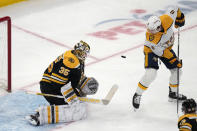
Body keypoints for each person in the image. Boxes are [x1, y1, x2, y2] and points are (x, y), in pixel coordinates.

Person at [26, 40, 99, 126]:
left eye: (84, 54)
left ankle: (58, 104)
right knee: (72, 108)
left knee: (77, 102)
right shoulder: (71, 61)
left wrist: (85, 84)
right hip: (50, 88)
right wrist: (69, 96)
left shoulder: (77, 59)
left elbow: (75, 78)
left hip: (57, 86)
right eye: (80, 52)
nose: (83, 55)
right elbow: (57, 82)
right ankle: (40, 115)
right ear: (76, 50)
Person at [132, 6, 187, 110]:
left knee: (177, 71)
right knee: (151, 74)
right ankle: (137, 94)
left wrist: (180, 17)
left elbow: (175, 9)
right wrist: (174, 60)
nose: (149, 32)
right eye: (149, 29)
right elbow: (161, 52)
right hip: (152, 50)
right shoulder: (151, 38)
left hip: (165, 48)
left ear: (158, 27)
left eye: (152, 30)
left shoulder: (167, 19)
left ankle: (173, 93)